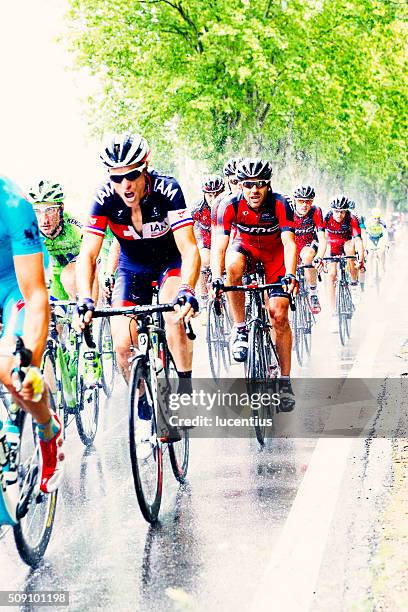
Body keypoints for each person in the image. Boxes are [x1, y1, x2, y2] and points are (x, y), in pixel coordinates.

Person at [74, 132, 200, 404]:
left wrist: (188, 289)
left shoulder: (168, 189)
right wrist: (85, 298)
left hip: (170, 262)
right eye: (116, 177)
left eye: (131, 175)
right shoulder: (104, 197)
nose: (125, 185)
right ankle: (141, 399)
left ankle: (185, 387)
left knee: (173, 313)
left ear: (145, 168)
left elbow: (189, 248)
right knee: (122, 345)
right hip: (131, 268)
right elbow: (88, 254)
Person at [211, 158, 298, 411]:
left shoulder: (281, 203)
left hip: (275, 256)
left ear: (268, 184)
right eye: (248, 184)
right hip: (246, 250)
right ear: (240, 185)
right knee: (232, 266)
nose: (254, 190)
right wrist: (217, 277)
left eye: (260, 184)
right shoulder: (229, 204)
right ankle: (240, 329)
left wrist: (290, 274)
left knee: (278, 315)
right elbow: (219, 244)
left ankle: (284, 381)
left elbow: (289, 243)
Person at [0, 176, 64, 493]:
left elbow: (36, 295)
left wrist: (31, 361)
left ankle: (47, 428)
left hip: (16, 287)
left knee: (9, 369)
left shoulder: (13, 204)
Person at [29, 180, 82, 300]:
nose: (44, 220)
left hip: (76, 274)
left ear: (61, 208)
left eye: (50, 210)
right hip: (53, 278)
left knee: (69, 277)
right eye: (37, 211)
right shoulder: (29, 230)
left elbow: (95, 255)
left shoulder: (74, 227)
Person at [324, 196, 365, 332]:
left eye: (342, 211)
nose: (339, 215)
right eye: (336, 211)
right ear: (332, 210)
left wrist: (361, 258)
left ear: (346, 211)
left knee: (349, 248)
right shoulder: (327, 217)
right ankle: (333, 315)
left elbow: (358, 240)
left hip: (347, 245)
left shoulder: (352, 218)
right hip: (332, 247)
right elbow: (322, 239)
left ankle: (354, 285)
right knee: (331, 275)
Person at [191, 175, 224, 308]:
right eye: (209, 195)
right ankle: (205, 300)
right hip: (207, 244)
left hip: (225, 243)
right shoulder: (198, 209)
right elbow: (185, 227)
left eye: (217, 194)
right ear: (204, 194)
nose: (213, 199)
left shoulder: (229, 204)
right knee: (204, 260)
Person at [292, 185, 326, 313]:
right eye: (301, 201)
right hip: (293, 245)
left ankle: (313, 293)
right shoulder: (289, 210)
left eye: (309, 201)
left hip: (309, 244)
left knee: (307, 256)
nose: (305, 205)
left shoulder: (316, 211)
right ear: (295, 200)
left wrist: (319, 257)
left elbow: (322, 239)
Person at [365, 207, 387, 274]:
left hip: (380, 238)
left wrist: (386, 244)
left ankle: (383, 267)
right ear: (372, 217)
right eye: (375, 218)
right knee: (370, 255)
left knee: (381, 253)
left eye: (378, 218)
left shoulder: (383, 223)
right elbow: (365, 233)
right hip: (370, 239)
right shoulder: (367, 222)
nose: (377, 220)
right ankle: (370, 272)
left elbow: (385, 234)